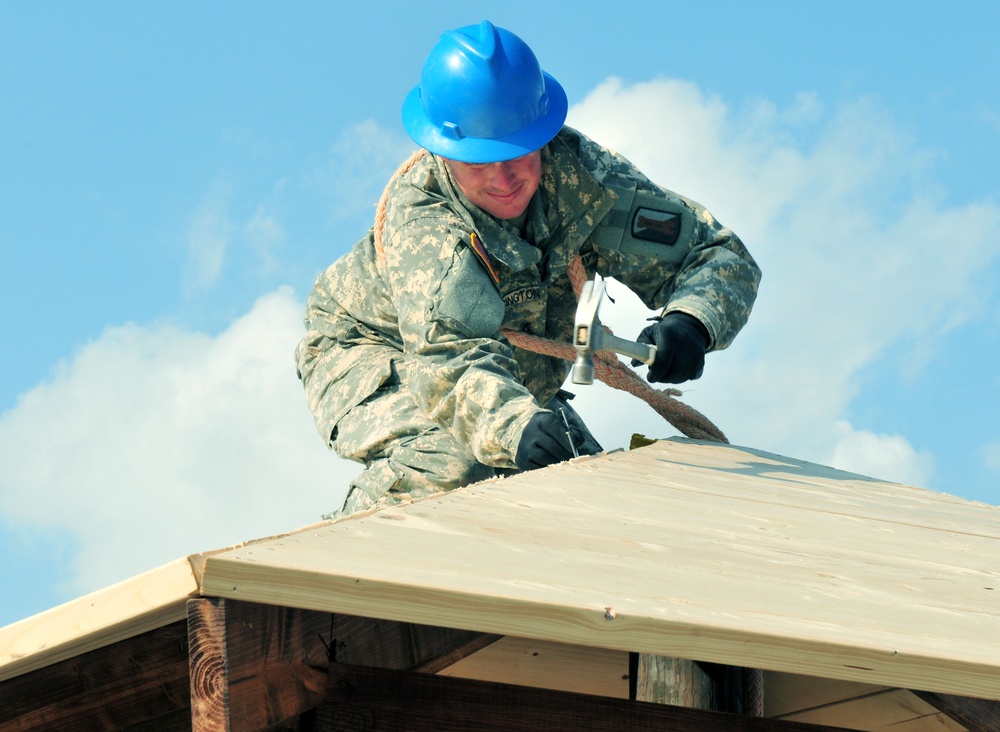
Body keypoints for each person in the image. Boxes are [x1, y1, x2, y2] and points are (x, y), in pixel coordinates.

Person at [296, 20, 761, 517]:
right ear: (444, 152)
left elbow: (714, 253)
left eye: (516, 153)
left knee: (582, 488)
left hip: (505, 370)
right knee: (457, 463)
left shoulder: (586, 181)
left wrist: (692, 321)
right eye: (478, 161)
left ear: (542, 136)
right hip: (375, 353)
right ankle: (325, 574)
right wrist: (515, 426)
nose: (503, 180)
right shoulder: (428, 225)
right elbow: (448, 359)